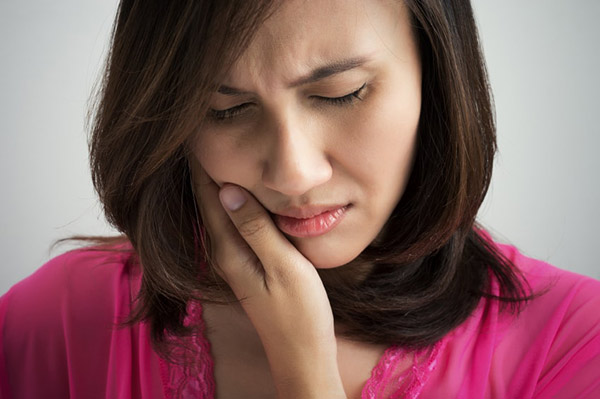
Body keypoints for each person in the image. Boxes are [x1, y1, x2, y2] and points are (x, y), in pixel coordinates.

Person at [1, 0, 599, 398]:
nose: (294, 173)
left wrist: (305, 372)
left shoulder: (573, 341)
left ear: (436, 77)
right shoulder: (56, 321)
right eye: (226, 110)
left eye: (342, 94)